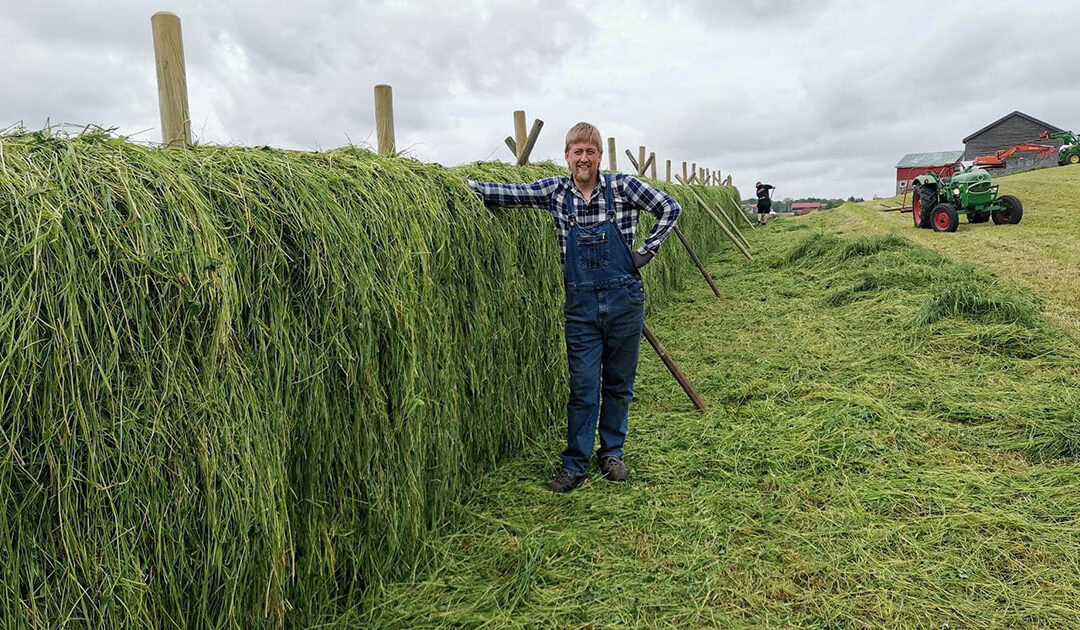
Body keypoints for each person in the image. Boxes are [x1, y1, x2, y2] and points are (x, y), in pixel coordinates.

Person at [467, 122, 682, 493]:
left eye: (590, 152)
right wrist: (466, 188)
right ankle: (575, 463)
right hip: (580, 304)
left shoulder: (622, 187)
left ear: (599, 156)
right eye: (577, 151)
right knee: (583, 386)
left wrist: (647, 250)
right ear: (567, 156)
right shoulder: (555, 190)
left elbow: (670, 207)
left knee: (618, 383)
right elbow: (510, 194)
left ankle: (611, 452)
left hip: (624, 300)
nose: (584, 158)